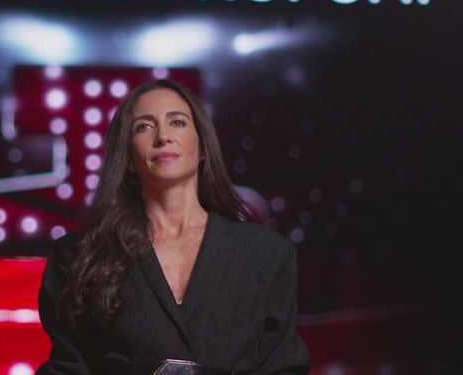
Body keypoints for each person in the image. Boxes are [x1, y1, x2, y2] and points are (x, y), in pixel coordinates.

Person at [37, 79, 310, 375]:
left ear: (202, 147)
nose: (163, 136)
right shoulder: (79, 255)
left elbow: (283, 366)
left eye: (177, 122)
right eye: (144, 127)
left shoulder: (266, 254)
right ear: (128, 158)